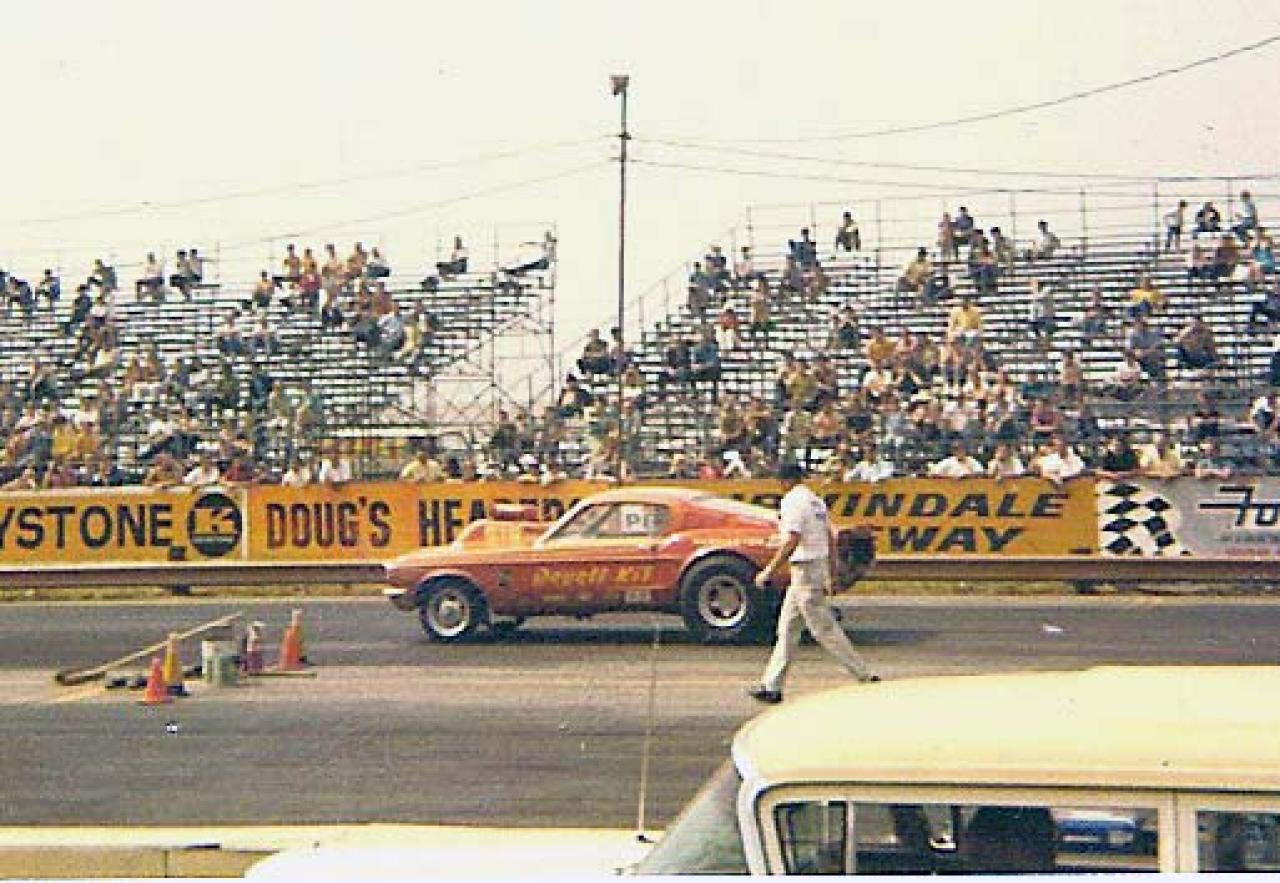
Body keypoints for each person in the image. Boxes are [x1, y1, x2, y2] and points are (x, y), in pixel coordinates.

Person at [746, 462, 879, 704]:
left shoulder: (792, 501)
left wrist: (769, 570)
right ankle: (772, 686)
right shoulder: (816, 501)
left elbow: (792, 539)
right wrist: (831, 573)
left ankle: (864, 675)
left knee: (824, 629)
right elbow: (829, 539)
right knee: (787, 629)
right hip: (811, 569)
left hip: (805, 570)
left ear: (785, 481)